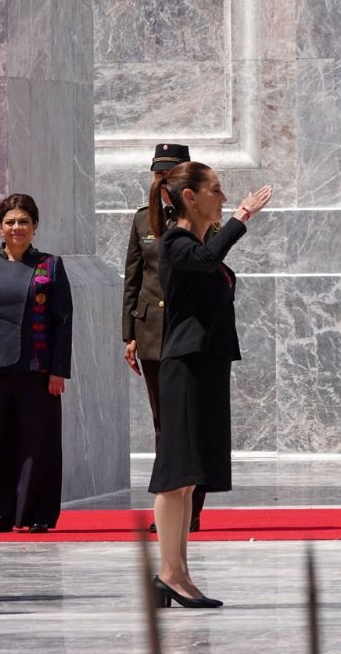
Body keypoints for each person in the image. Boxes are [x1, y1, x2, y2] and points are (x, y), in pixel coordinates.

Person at [149, 162, 272, 608]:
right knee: (174, 474)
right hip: (185, 365)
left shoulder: (197, 245)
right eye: (216, 191)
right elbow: (205, 259)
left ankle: (178, 572)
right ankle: (168, 572)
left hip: (207, 364)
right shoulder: (176, 242)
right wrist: (242, 217)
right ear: (190, 198)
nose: (222, 198)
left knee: (189, 479)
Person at [0, 193, 73, 533]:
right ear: (0, 226)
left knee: (36, 443)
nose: (16, 228)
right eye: (10, 222)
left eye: (23, 221)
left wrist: (58, 371)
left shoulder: (50, 265)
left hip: (37, 369)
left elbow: (62, 322)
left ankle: (32, 513)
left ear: (35, 226)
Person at [123, 143, 208, 532]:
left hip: (188, 332)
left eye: (168, 173)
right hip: (153, 334)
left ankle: (191, 508)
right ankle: (170, 508)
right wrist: (129, 334)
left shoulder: (203, 218)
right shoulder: (143, 220)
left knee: (191, 420)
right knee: (163, 423)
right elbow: (133, 278)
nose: (161, 180)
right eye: (157, 173)